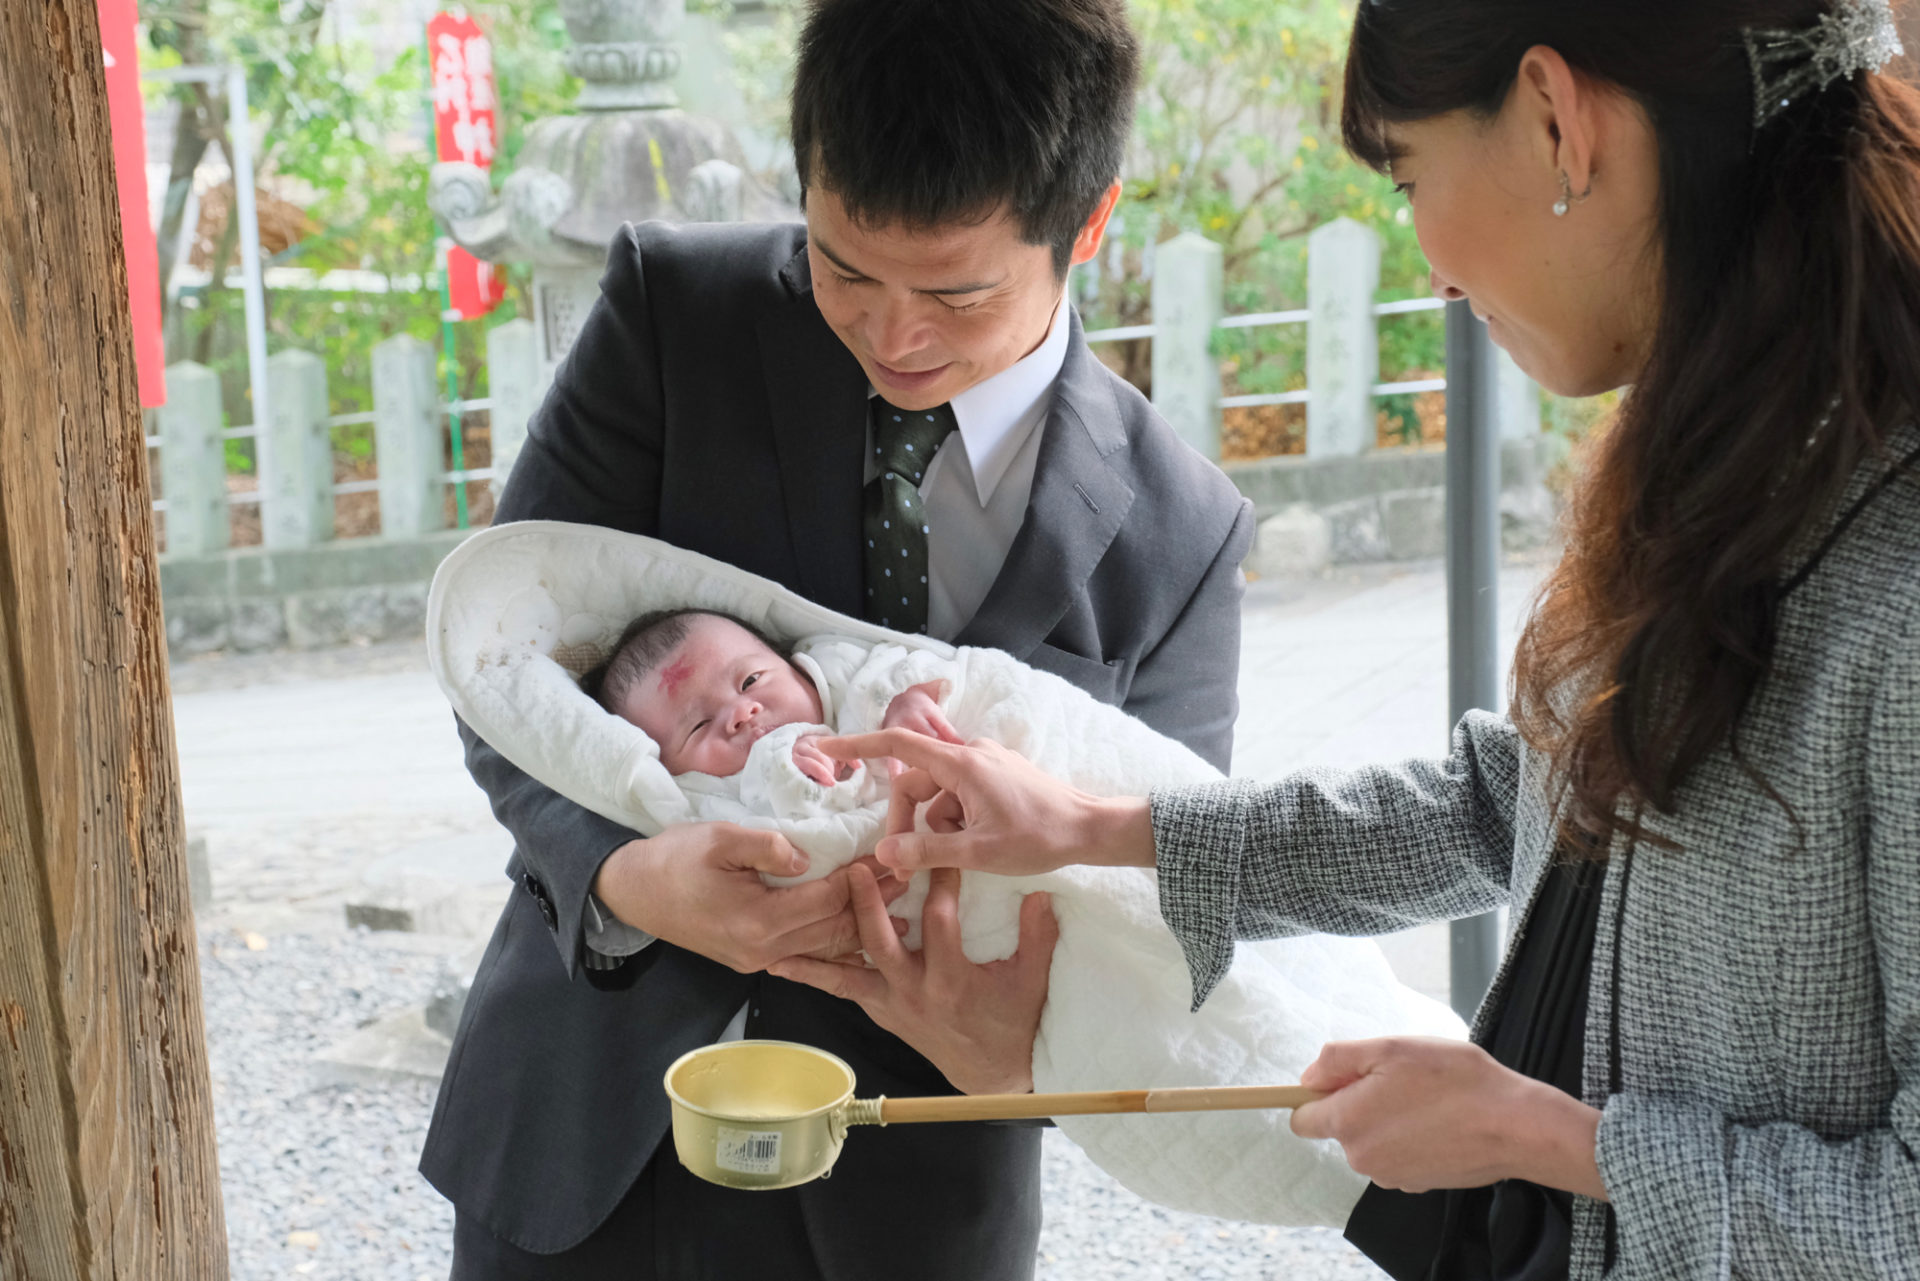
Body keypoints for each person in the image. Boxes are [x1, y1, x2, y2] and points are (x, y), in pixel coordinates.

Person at [774, 2, 1920, 1278]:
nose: (1429, 263)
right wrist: (1097, 826)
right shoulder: (1731, 457)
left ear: (1556, 120)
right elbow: (1516, 801)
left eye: (1413, 176)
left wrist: (1558, 1141)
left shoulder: (1894, 571)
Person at [419, 0, 1255, 1275]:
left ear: (1087, 223)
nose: (894, 334)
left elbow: (1164, 893)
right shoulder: (673, 319)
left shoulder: (1181, 535)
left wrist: (1017, 1035)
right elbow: (502, 662)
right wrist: (630, 881)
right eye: (846, 268)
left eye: (959, 292)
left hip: (911, 1186)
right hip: (590, 1128)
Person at [580, 608, 949, 784]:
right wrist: (785, 775)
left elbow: (911, 665)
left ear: (791, 663)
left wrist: (905, 700)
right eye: (699, 726)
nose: (740, 712)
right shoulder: (714, 800)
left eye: (750, 681)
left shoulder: (840, 670)